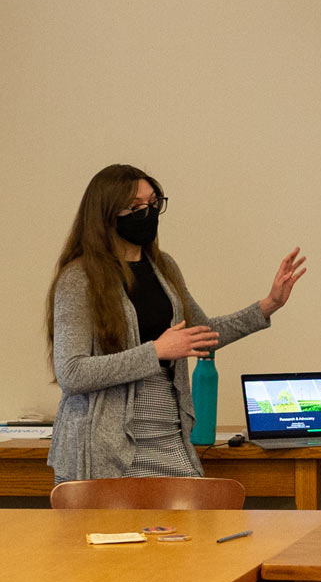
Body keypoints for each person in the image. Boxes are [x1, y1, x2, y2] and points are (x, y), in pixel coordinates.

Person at [44, 164, 307, 482]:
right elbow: (71, 373)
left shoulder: (163, 267)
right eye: (136, 207)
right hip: (108, 449)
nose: (148, 213)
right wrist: (155, 351)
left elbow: (201, 334)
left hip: (169, 436)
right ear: (106, 215)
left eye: (153, 203)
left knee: (196, 525)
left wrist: (268, 305)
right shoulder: (79, 278)